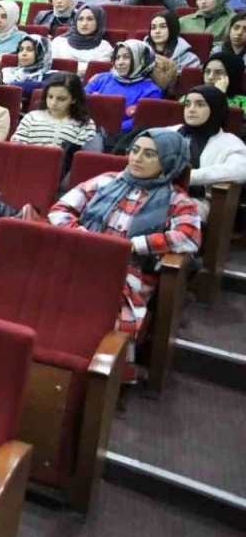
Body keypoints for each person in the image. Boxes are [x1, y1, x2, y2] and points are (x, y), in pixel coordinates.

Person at [49, 129, 201, 380]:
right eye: (135, 150)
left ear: (169, 161)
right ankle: (52, 370)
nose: (137, 158)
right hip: (84, 257)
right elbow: (59, 210)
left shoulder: (177, 199)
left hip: (130, 271)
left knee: (103, 309)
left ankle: (100, 381)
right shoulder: (106, 181)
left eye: (150, 154)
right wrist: (84, 235)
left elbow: (188, 236)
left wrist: (133, 245)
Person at [167, 85, 246, 218]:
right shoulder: (171, 132)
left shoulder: (229, 142)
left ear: (215, 109)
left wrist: (190, 177)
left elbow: (241, 170)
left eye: (200, 105)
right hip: (158, 192)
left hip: (197, 202)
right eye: (187, 104)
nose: (191, 109)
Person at [85, 40, 163, 132]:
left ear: (141, 60)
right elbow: (80, 101)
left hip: (119, 136)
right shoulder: (102, 78)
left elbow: (137, 122)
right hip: (85, 128)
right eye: (117, 57)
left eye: (126, 57)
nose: (120, 62)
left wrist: (106, 129)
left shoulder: (152, 91)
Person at [11, 72, 100, 149]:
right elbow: (16, 147)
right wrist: (42, 150)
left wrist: (61, 152)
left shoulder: (85, 124)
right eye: (50, 97)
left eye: (61, 99)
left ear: (74, 99)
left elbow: (82, 156)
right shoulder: (31, 118)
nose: (53, 103)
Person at [50, 4, 114, 75]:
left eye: (90, 19)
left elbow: (96, 71)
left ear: (99, 22)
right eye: (80, 19)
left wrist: (68, 65)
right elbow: (51, 67)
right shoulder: (58, 42)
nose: (84, 23)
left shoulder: (104, 47)